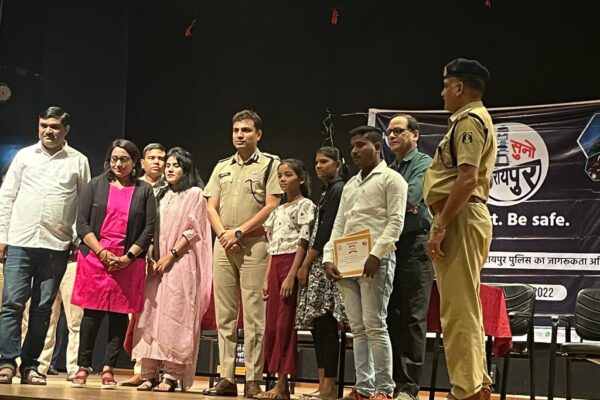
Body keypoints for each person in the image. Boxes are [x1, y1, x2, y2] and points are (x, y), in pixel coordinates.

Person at [423, 58, 497, 400]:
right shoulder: (473, 119)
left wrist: (440, 225)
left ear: (458, 87)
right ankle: (476, 384)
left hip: (459, 217)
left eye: (445, 86)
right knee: (466, 305)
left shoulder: (469, 120)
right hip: (463, 216)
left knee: (457, 309)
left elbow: (466, 179)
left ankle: (465, 390)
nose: (442, 93)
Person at [0, 107, 90, 385]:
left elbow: (83, 204)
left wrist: (76, 239)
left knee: (42, 309)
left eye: (54, 126)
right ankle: (6, 362)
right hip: (20, 241)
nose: (48, 131)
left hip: (56, 245)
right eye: (43, 125)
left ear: (66, 129)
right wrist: (2, 236)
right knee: (12, 304)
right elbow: (6, 195)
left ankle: (30, 365)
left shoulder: (78, 160)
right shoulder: (24, 156)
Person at [203, 109, 283, 398]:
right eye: (236, 130)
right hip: (224, 245)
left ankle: (253, 378)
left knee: (254, 314)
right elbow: (210, 206)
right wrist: (224, 235)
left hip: (254, 244)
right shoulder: (222, 166)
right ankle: (226, 377)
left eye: (246, 130)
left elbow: (272, 204)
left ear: (258, 134)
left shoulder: (270, 164)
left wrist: (239, 232)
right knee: (225, 315)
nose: (240, 135)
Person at [324, 126, 407, 400]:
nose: (355, 151)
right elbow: (339, 224)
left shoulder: (392, 179)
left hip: (375, 262)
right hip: (347, 262)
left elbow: (395, 222)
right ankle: (363, 387)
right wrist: (329, 257)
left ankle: (384, 389)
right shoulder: (350, 184)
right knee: (357, 328)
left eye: (361, 145)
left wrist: (377, 254)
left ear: (377, 147)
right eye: (353, 146)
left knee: (375, 324)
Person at [70, 139, 156, 389]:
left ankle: (109, 367)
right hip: (96, 259)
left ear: (134, 162)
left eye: (124, 159)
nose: (119, 164)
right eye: (115, 159)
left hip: (128, 262)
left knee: (119, 316)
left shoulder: (144, 190)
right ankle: (83, 366)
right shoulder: (95, 185)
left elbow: (149, 228)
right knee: (91, 315)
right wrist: (101, 252)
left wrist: (128, 256)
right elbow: (82, 224)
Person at [132, 147, 212, 392]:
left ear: (186, 169)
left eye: (176, 165)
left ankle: (170, 376)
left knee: (176, 315)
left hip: (181, 262)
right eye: (168, 165)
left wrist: (171, 255)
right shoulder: (160, 194)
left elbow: (194, 230)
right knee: (152, 315)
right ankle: (149, 374)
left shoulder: (195, 194)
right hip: (156, 264)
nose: (170, 169)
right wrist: (151, 256)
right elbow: (151, 228)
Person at [385, 115, 434, 400]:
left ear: (415, 134)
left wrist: (391, 207)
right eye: (389, 132)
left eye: (398, 131)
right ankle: (390, 382)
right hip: (391, 245)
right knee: (390, 315)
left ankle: (409, 387)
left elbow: (411, 198)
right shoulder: (389, 169)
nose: (391, 136)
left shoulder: (423, 163)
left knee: (413, 317)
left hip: (416, 244)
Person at [258, 159, 315, 400]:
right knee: (272, 325)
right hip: (275, 264)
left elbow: (303, 241)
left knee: (285, 324)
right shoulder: (278, 210)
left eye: (288, 175)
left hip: (291, 262)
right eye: (280, 175)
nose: (283, 179)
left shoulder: (306, 205)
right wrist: (266, 277)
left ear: (301, 178)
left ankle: (283, 383)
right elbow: (272, 246)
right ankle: (274, 379)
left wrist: (292, 274)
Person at [295, 147, 349, 400]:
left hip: (325, 263)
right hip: (317, 264)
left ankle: (329, 387)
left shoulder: (339, 189)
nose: (318, 166)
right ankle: (321, 385)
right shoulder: (327, 191)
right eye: (316, 162)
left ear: (338, 164)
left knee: (327, 325)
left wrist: (306, 263)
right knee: (318, 326)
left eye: (324, 161)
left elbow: (326, 231)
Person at [121, 142, 167, 387]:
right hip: (137, 254)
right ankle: (141, 368)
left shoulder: (172, 187)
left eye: (161, 158)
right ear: (142, 162)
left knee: (161, 313)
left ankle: (162, 369)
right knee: (137, 314)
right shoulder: (134, 186)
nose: (157, 162)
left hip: (164, 255)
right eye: (152, 158)